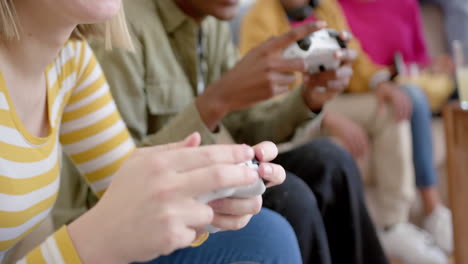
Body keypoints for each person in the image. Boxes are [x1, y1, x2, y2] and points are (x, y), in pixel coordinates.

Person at [52, 0, 391, 263]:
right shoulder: (123, 30)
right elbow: (110, 189)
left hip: (194, 188)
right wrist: (217, 100)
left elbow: (251, 122)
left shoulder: (210, 25)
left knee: (328, 160)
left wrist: (308, 99)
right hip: (135, 214)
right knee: (291, 197)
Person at [0, 0, 303, 263]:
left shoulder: (71, 61)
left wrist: (207, 201)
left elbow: (123, 182)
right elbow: (113, 205)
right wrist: (90, 241)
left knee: (268, 232)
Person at [239, 1, 447, 263]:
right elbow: (260, 91)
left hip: (327, 98)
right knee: (322, 165)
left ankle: (393, 225)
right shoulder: (261, 16)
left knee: (391, 107)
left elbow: (356, 59)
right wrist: (326, 115)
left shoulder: (326, 9)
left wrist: (380, 82)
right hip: (288, 109)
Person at [338, 0, 453, 256]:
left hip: (404, 83)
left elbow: (418, 58)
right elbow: (352, 63)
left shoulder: (405, 4)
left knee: (421, 94)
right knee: (409, 97)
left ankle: (421, 218)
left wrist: (432, 68)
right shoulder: (336, 7)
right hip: (363, 91)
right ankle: (431, 207)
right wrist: (382, 79)